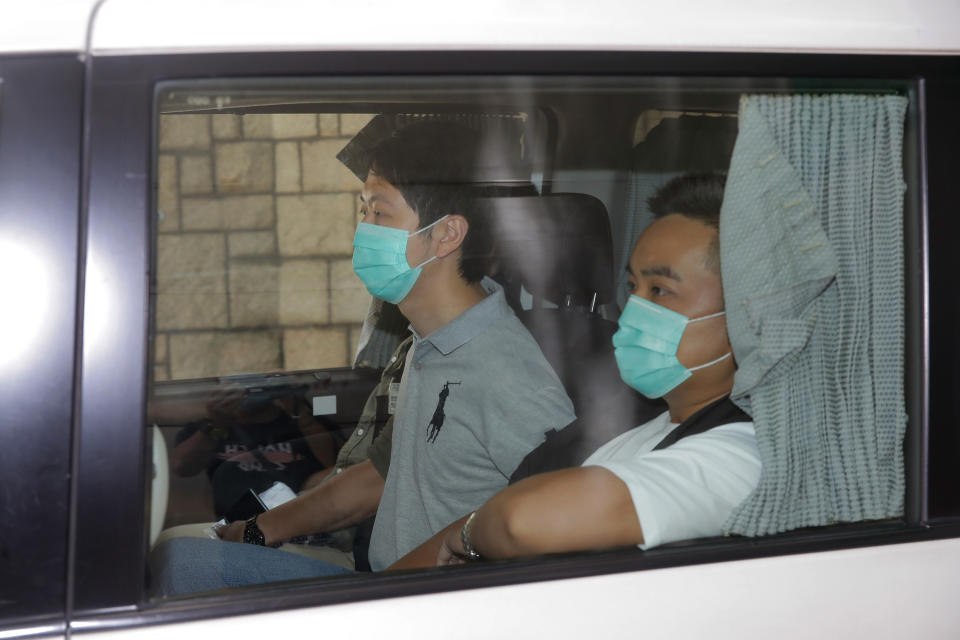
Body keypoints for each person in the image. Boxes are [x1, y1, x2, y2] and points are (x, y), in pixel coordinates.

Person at [150, 120, 576, 595]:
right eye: (363, 211)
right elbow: (378, 475)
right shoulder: (429, 343)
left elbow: (559, 522)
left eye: (380, 213)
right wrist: (255, 531)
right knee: (177, 557)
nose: (363, 232)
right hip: (380, 583)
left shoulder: (509, 375)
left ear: (447, 234)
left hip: (428, 609)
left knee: (179, 571)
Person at [387, 172, 762, 568]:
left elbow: (520, 520)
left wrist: (464, 537)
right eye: (633, 287)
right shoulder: (627, 423)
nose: (635, 309)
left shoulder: (743, 456)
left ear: (747, 316)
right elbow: (497, 508)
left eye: (660, 291)